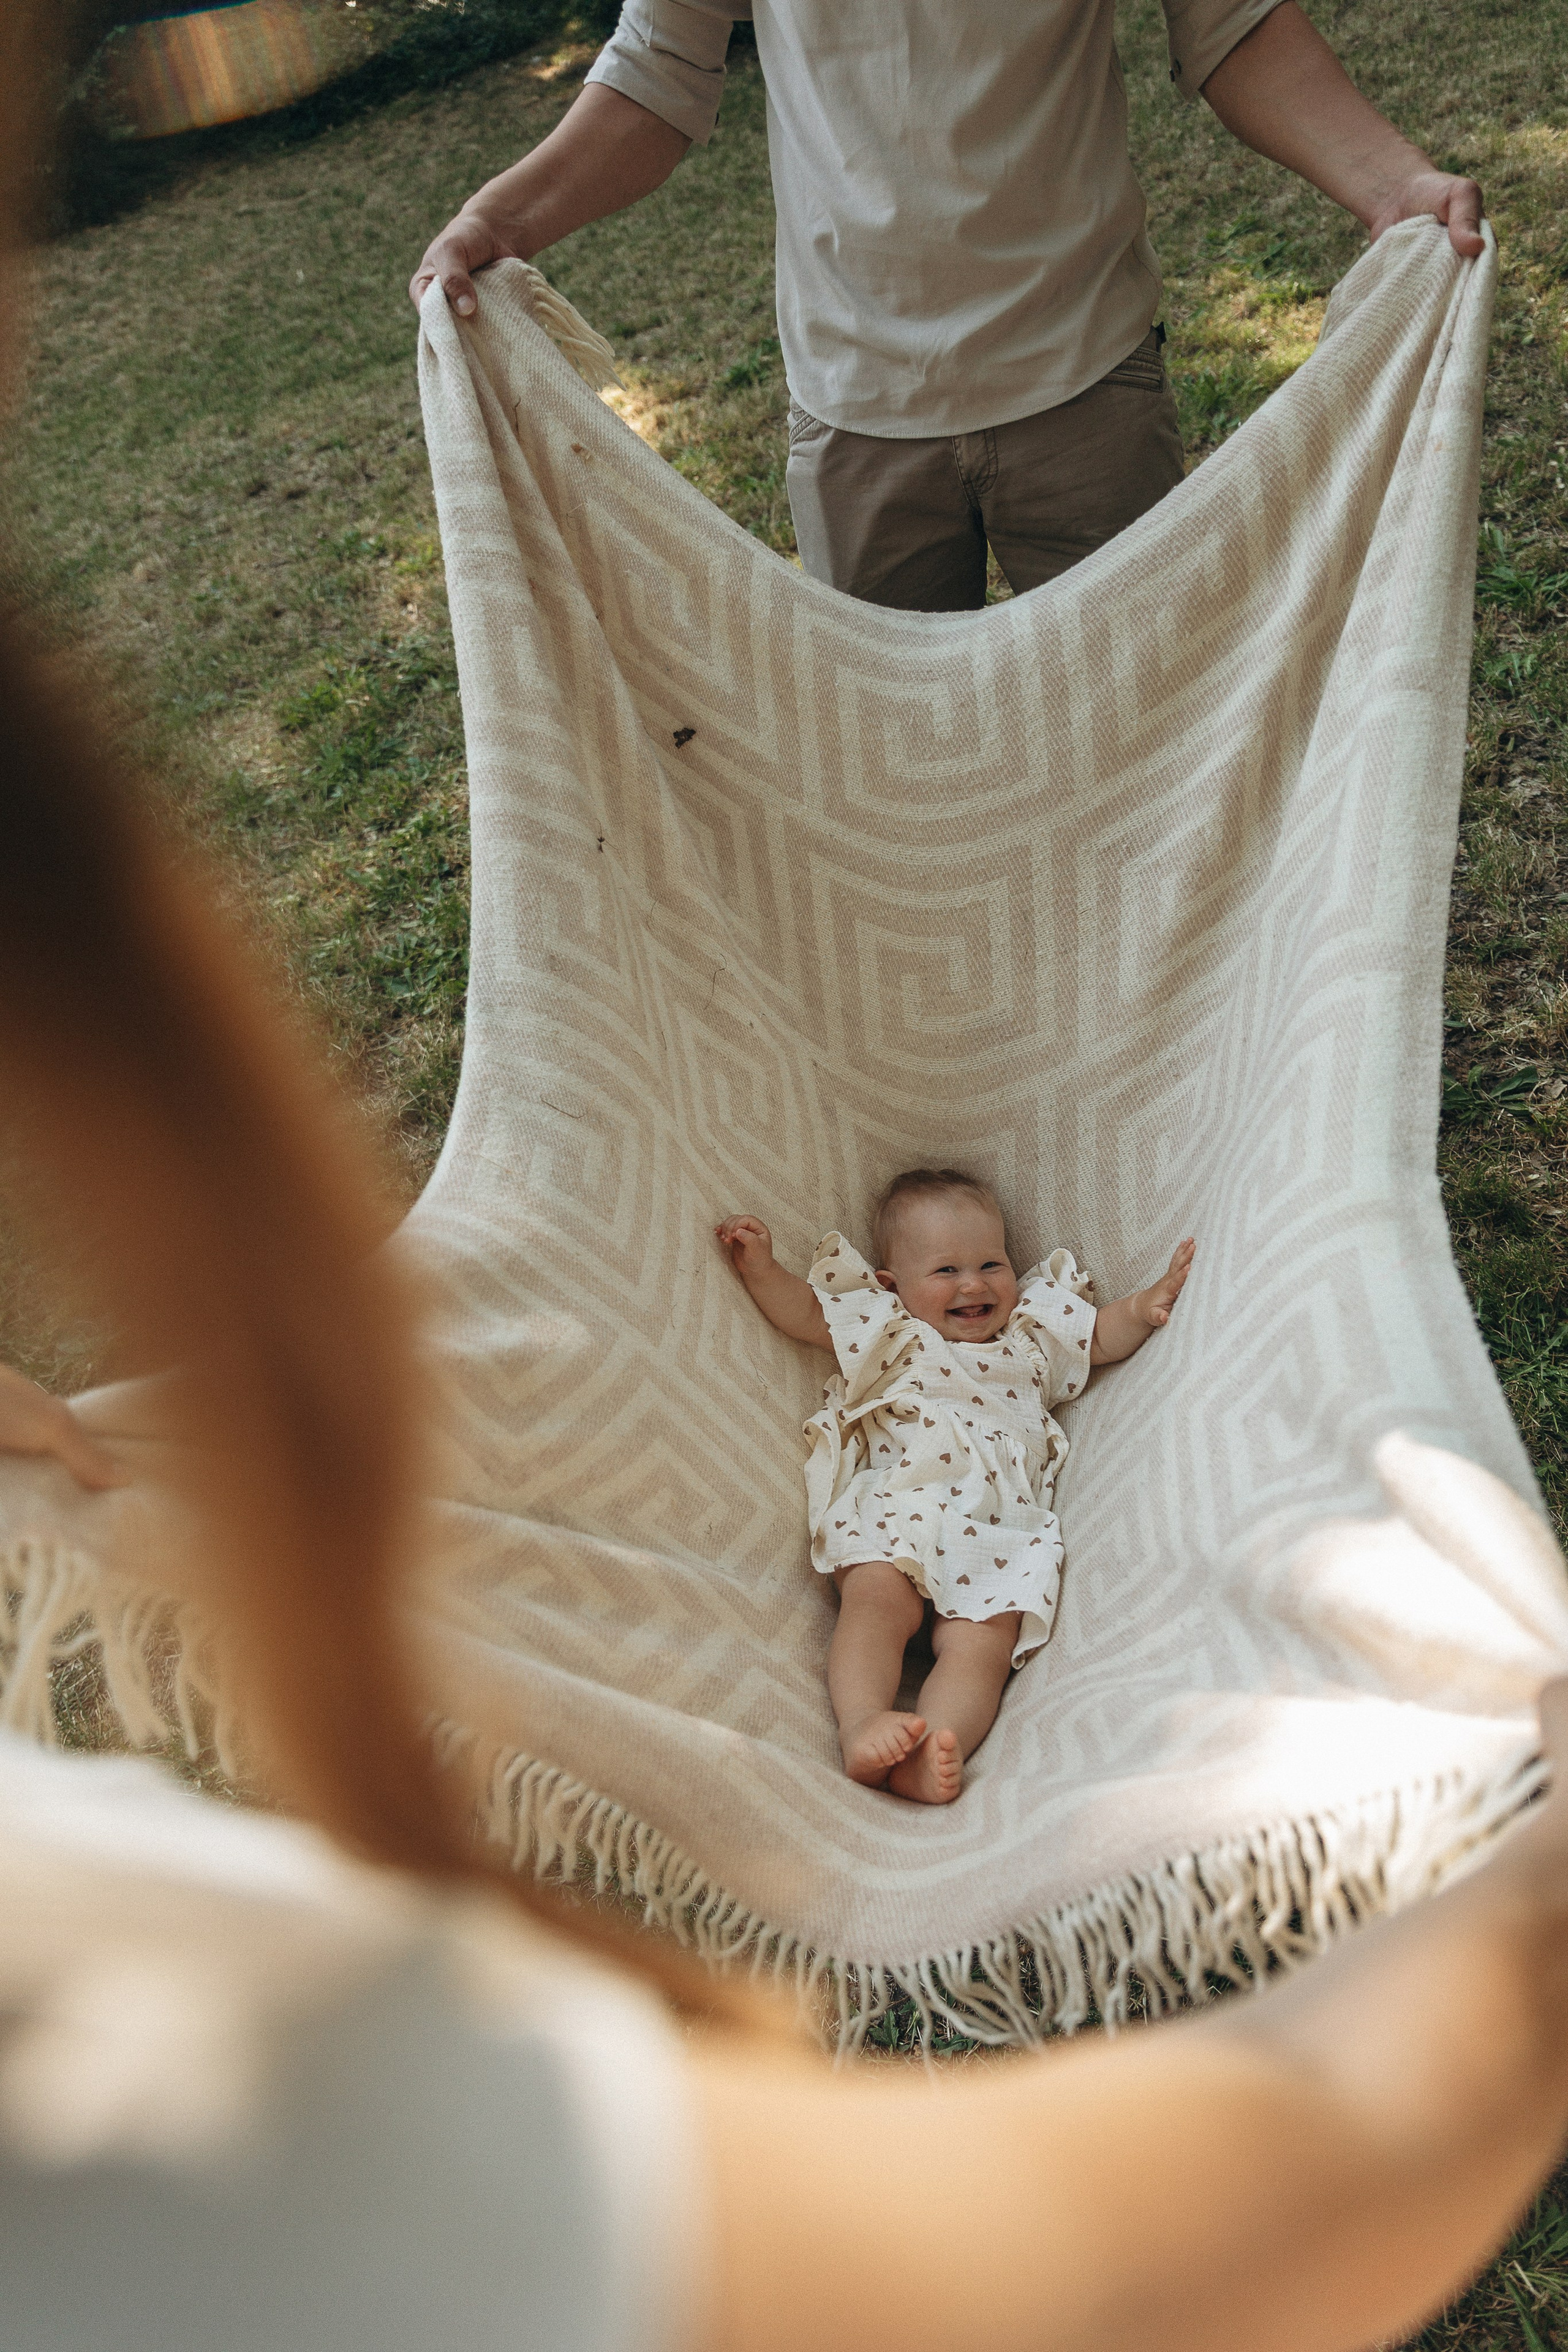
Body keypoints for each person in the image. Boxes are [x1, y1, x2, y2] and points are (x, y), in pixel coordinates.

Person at [410, 0, 1486, 613]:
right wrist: (498, 221)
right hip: (855, 416)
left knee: (1148, 766)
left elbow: (1232, 23)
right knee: (899, 815)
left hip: (1088, 384)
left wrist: (1391, 186)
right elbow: (659, 71)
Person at [717, 1169, 1193, 1800]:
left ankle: (934, 1745)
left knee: (982, 1647)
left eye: (991, 1264)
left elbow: (1099, 1336)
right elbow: (809, 1314)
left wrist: (1143, 1305)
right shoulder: (894, 1335)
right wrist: (762, 1269)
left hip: (996, 1532)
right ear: (893, 1287)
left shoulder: (1028, 1344)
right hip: (902, 1507)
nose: (973, 1284)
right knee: (875, 1604)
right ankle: (862, 1723)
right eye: (946, 1271)